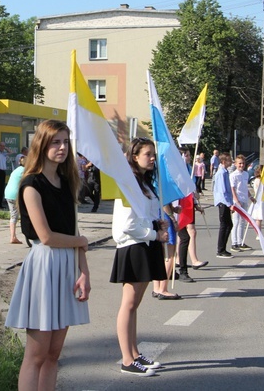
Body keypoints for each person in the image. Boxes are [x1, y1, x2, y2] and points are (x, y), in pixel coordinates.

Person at [5, 119, 90, 390]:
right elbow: (46, 236)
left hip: (66, 265)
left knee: (54, 354)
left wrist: (84, 272)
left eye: (66, 142)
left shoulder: (66, 182)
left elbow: (73, 229)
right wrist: (81, 241)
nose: (62, 147)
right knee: (37, 354)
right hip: (44, 265)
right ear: (42, 144)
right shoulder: (31, 184)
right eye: (56, 142)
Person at [111, 137, 169, 376]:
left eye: (153, 154)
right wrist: (154, 234)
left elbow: (142, 215)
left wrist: (157, 222)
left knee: (135, 305)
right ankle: (127, 360)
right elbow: (126, 225)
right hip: (135, 247)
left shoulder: (144, 183)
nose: (153, 158)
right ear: (134, 156)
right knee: (129, 304)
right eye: (148, 154)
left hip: (146, 244)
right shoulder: (129, 183)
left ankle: (135, 354)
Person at [176, 149, 207, 282]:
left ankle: (185, 266)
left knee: (187, 235)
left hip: (186, 206)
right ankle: (179, 267)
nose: (188, 157)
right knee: (182, 237)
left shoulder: (188, 169)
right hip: (176, 208)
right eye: (186, 155)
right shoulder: (177, 170)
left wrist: (195, 203)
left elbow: (189, 188)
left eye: (188, 155)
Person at [230, 154, 253, 252]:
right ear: (235, 164)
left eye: (243, 163)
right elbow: (233, 188)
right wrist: (236, 200)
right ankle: (234, 243)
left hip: (244, 200)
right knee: (236, 222)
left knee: (242, 222)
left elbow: (245, 187)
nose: (241, 165)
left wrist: (250, 196)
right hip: (237, 201)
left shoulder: (245, 174)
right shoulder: (233, 175)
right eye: (239, 163)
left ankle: (241, 241)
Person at [213, 153, 235, 258]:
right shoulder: (221, 173)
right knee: (225, 225)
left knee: (228, 225)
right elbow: (222, 191)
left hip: (226, 202)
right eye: (229, 160)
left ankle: (223, 248)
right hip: (223, 202)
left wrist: (231, 202)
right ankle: (220, 250)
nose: (231, 162)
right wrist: (229, 204)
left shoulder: (225, 172)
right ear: (223, 162)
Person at [4, 156, 26, 244]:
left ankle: (13, 237)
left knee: (13, 216)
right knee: (25, 213)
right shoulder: (25, 171)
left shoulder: (16, 170)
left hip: (8, 193)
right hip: (16, 194)